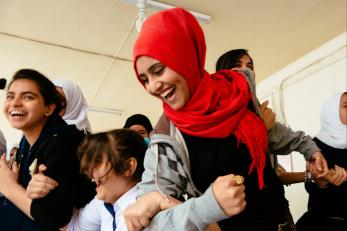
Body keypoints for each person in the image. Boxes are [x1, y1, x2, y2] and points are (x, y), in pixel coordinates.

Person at [123, 8, 306, 231]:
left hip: (283, 221)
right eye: (145, 79)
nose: (152, 86)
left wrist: (310, 151)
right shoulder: (166, 139)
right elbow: (150, 226)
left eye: (158, 70)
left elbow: (277, 148)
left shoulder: (239, 96)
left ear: (185, 56)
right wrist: (204, 208)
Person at [0, 69, 81, 230]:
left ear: (49, 108)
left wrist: (8, 187)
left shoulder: (62, 142)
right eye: (10, 96)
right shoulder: (27, 139)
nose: (15, 103)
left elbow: (55, 216)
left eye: (28, 97)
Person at [64, 129, 147, 231]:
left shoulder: (144, 213)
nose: (89, 173)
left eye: (97, 161)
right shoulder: (105, 201)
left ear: (128, 167)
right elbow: (73, 227)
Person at [296, 92, 347, 231]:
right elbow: (311, 187)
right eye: (346, 106)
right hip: (325, 223)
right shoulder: (315, 146)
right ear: (331, 113)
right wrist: (322, 183)